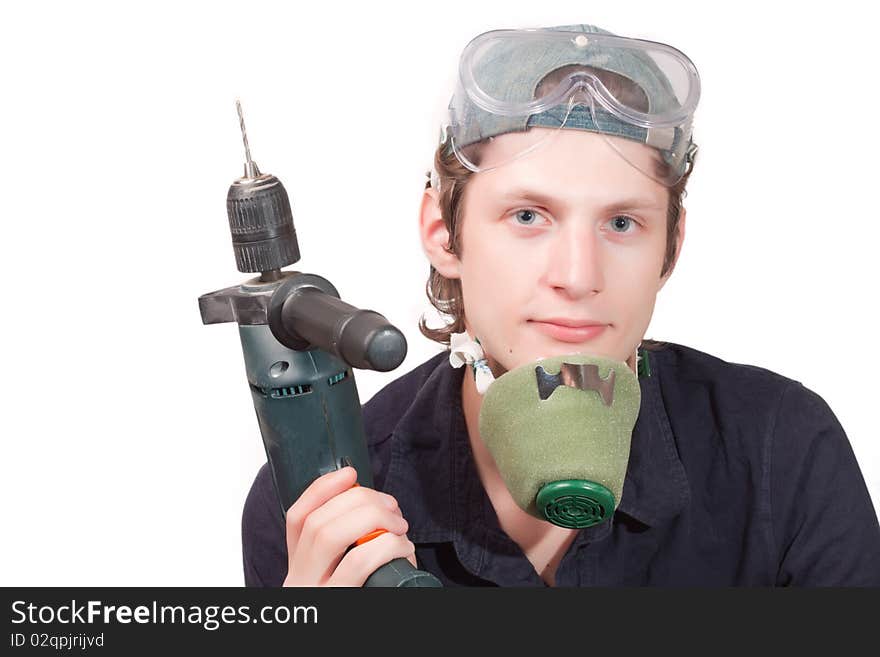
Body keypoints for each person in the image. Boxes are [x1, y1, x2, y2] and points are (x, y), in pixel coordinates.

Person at [241, 23, 880, 586]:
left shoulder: (781, 448)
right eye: (528, 215)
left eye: (622, 224)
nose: (577, 277)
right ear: (444, 234)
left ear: (672, 246)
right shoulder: (318, 504)